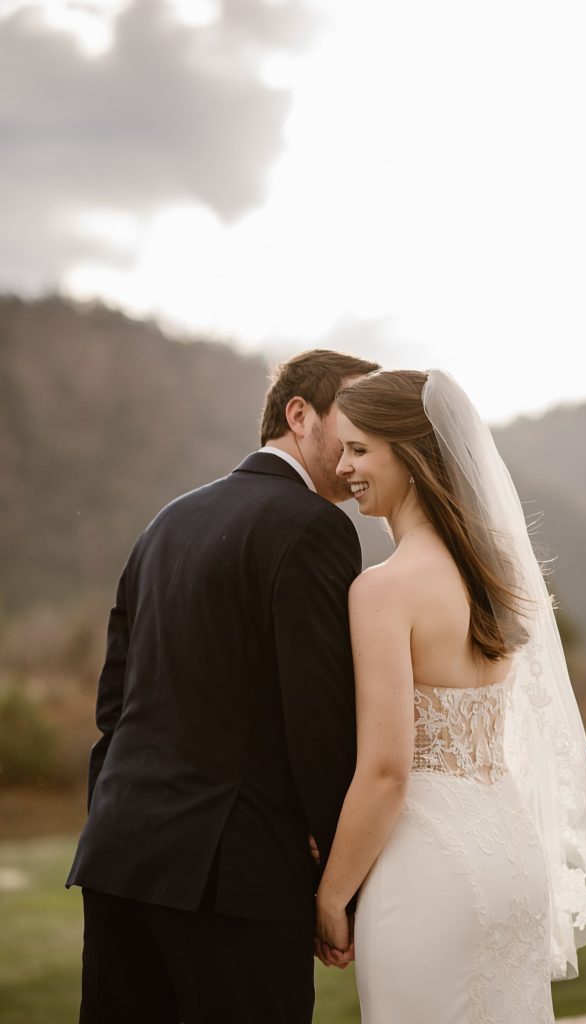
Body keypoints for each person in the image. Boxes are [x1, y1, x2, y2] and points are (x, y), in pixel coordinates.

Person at [66, 348, 379, 1024]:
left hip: (118, 858)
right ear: (299, 414)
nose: (364, 449)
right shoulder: (315, 528)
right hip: (233, 878)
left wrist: (114, 818)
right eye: (356, 423)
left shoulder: (164, 523)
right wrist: (341, 890)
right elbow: (319, 722)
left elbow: (113, 709)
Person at [315, 368, 586, 1023]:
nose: (342, 468)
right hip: (511, 854)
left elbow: (388, 771)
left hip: (429, 866)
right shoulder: (496, 577)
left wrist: (331, 896)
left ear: (414, 453)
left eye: (359, 449)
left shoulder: (383, 591)